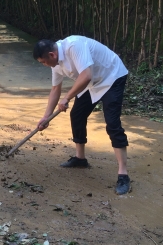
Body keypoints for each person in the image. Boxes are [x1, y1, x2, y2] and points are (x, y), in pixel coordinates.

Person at [33, 37, 131, 195]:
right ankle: (80, 159)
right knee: (77, 115)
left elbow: (86, 76)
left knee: (112, 123)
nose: (44, 65)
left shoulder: (74, 46)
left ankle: (123, 175)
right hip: (92, 82)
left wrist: (67, 98)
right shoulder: (55, 64)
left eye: (43, 62)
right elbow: (55, 89)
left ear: (51, 54)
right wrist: (46, 116)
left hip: (111, 76)